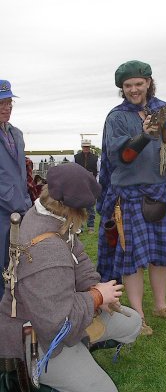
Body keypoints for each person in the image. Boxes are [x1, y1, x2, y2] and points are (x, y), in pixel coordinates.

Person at [0, 163, 141, 392]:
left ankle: (80, 346)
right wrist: (96, 297)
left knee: (132, 323)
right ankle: (43, 369)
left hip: (57, 319)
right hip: (39, 339)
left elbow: (79, 256)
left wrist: (95, 287)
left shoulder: (46, 214)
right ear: (74, 210)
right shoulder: (47, 249)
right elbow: (56, 323)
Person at [97, 60, 166, 336]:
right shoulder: (116, 118)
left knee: (160, 255)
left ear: (149, 82)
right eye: (128, 86)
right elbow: (123, 157)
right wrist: (144, 136)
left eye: (138, 84)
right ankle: (138, 316)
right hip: (128, 195)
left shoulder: (164, 111)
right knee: (133, 258)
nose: (133, 90)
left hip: (160, 192)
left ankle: (161, 306)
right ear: (122, 89)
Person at [0, 80, 32, 300]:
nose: (7, 108)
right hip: (2, 210)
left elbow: (21, 174)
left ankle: (11, 305)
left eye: (9, 102)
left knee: (15, 263)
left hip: (20, 210)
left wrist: (27, 201)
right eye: (2, 103)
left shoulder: (17, 134)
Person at [74, 139, 99, 234]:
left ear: (90, 147)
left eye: (87, 147)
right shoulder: (75, 157)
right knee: (79, 207)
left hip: (90, 185)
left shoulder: (96, 158)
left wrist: (95, 182)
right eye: (84, 146)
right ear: (82, 147)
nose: (86, 148)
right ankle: (80, 227)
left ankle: (91, 226)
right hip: (79, 185)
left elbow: (99, 171)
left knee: (90, 207)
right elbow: (73, 170)